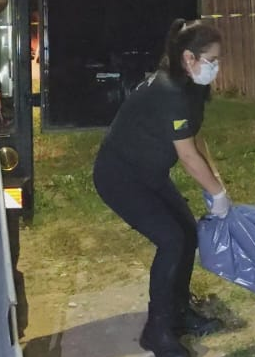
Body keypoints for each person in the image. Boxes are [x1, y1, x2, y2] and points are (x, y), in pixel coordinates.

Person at [93, 19, 229, 357]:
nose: (216, 67)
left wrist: (215, 180)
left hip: (148, 174)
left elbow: (194, 138)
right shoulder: (170, 92)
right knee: (171, 239)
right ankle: (157, 331)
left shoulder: (189, 86)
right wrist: (218, 194)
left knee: (187, 231)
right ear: (189, 58)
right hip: (119, 178)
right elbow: (187, 156)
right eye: (212, 60)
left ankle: (179, 313)